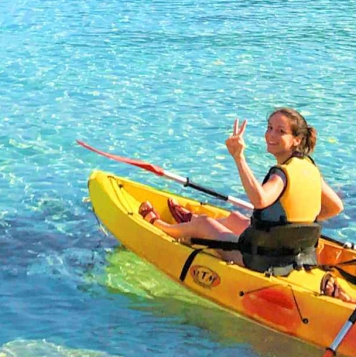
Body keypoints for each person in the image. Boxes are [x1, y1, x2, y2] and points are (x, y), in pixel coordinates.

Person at [137, 109, 344, 274]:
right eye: (269, 127)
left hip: (263, 259)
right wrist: (297, 223)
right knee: (236, 219)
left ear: (297, 140)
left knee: (204, 224)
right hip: (292, 254)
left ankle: (160, 226)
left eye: (280, 131)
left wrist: (238, 157)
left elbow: (260, 200)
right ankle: (190, 222)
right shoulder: (310, 168)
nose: (271, 135)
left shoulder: (281, 174)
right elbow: (336, 206)